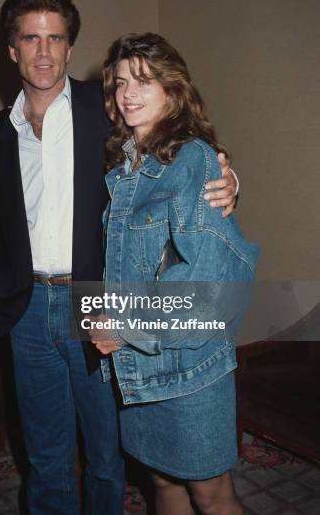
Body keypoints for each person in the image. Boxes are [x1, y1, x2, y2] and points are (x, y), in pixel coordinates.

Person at [0, 0, 238, 514]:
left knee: (106, 451)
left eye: (56, 38)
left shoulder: (110, 108)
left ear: (71, 48)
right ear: (12, 50)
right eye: (31, 38)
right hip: (26, 307)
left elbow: (175, 148)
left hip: (97, 298)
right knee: (45, 452)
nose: (44, 51)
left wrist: (230, 180)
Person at [91, 33, 259, 515]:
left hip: (190, 365)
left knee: (212, 494)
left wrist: (123, 326)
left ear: (174, 88)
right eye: (121, 82)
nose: (128, 92)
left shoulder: (193, 159)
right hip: (138, 367)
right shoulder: (126, 164)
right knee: (163, 484)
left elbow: (209, 279)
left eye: (145, 80)